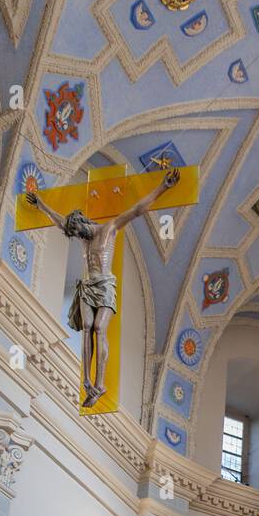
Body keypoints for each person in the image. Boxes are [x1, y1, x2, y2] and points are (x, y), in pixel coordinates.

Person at [25, 167, 179, 407]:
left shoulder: (110, 228)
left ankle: (100, 383)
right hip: (87, 286)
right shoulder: (81, 235)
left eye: (80, 231)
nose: (80, 237)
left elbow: (138, 209)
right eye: (75, 234)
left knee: (98, 327)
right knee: (86, 327)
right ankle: (87, 382)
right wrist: (41, 205)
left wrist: (163, 187)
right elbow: (59, 222)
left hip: (105, 284)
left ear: (85, 223)